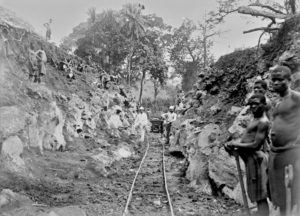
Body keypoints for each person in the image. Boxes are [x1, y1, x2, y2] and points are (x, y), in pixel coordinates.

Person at [226, 94, 270, 216]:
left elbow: (256, 145)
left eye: (256, 103)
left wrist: (236, 144)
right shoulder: (254, 119)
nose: (253, 106)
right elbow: (247, 139)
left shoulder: (263, 122)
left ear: (263, 105)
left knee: (260, 195)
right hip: (251, 161)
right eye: (251, 104)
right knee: (256, 194)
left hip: (257, 161)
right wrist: (232, 145)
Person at [268, 65, 300, 216]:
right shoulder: (278, 102)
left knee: (292, 194)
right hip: (277, 153)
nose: (275, 83)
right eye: (273, 80)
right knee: (279, 194)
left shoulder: (296, 97)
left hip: (291, 152)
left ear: (289, 80)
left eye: (279, 80)